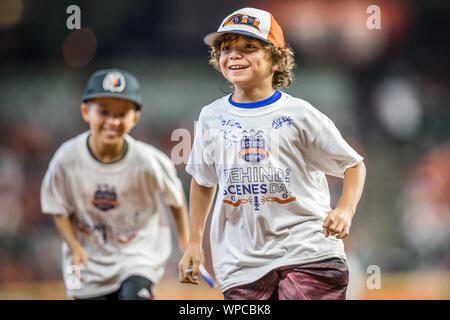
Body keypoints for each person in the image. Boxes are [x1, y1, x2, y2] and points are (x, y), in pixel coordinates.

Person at [178, 8, 366, 300]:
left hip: (309, 254)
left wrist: (344, 210)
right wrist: (193, 244)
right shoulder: (211, 117)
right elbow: (203, 182)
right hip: (241, 265)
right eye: (226, 48)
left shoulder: (299, 114)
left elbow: (354, 165)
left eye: (249, 47)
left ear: (276, 60)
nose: (234, 55)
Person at [41, 69, 190, 300]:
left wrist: (186, 242)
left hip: (138, 255)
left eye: (122, 113)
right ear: (85, 111)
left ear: (135, 118)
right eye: (104, 112)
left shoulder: (149, 161)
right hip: (87, 261)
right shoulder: (67, 158)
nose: (113, 121)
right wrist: (74, 246)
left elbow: (176, 200)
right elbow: (57, 208)